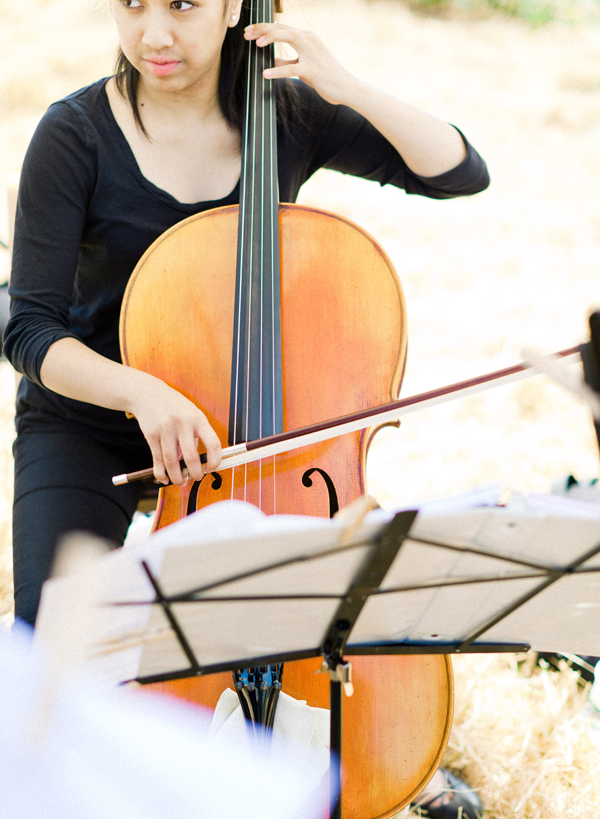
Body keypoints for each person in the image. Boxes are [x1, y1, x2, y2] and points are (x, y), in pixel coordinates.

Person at [4, 2, 488, 814]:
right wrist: (144, 392)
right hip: (94, 418)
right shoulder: (76, 133)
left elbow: (459, 171)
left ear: (235, 6)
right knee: (51, 656)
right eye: (133, 4)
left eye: (185, 6)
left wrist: (346, 86)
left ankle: (380, 755)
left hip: (266, 439)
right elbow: (27, 327)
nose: (155, 34)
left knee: (329, 597)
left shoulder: (286, 111)